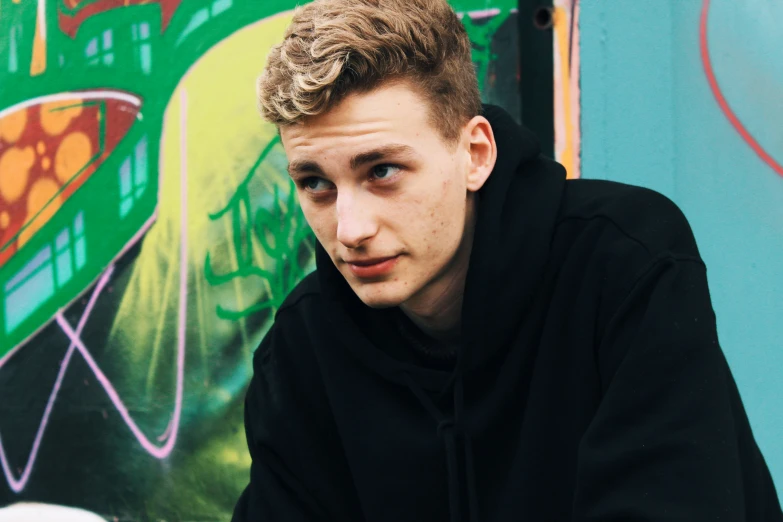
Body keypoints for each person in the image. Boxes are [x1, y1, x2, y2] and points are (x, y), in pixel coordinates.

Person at [232, 0, 783, 520]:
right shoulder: (302, 349)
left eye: (382, 171)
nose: (350, 229)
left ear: (475, 154)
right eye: (315, 183)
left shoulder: (620, 263)